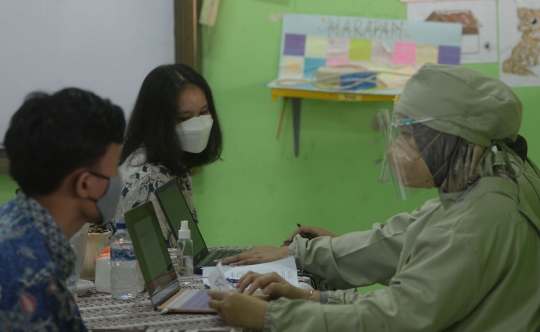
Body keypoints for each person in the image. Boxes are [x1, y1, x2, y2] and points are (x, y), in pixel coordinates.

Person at [208, 64, 540, 331]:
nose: (397, 150)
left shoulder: (477, 221)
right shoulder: (497, 172)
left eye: (409, 135)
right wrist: (310, 291)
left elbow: (393, 318)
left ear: (452, 139)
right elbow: (409, 235)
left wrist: (271, 318)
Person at [0, 88, 125, 331]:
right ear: (85, 184)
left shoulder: (15, 223)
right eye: (115, 168)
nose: (118, 179)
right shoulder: (30, 278)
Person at [114, 64, 223, 247]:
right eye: (185, 118)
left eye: (203, 112)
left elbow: (185, 250)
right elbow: (153, 270)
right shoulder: (146, 179)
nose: (199, 125)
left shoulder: (175, 162)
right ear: (158, 121)